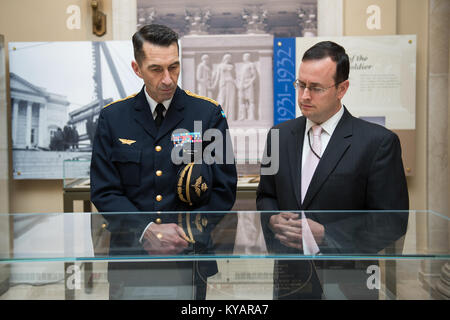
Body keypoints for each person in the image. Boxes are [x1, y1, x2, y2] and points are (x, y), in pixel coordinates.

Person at [90, 24, 237, 300]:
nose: (168, 79)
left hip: (188, 256)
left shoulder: (207, 114)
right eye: (156, 69)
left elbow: (224, 187)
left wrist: (184, 233)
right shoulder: (113, 118)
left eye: (174, 67)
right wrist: (145, 230)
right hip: (131, 258)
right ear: (137, 68)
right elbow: (104, 190)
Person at [257, 41, 409, 299]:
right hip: (290, 278)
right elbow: (266, 196)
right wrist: (272, 219)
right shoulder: (278, 136)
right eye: (301, 85)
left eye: (316, 88)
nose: (304, 96)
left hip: (349, 279)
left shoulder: (377, 143)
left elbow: (392, 221)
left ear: (342, 89)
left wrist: (327, 234)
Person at [211, 53, 236, 120]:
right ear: (225, 58)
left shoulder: (231, 66)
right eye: (228, 58)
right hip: (223, 84)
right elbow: (217, 77)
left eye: (230, 58)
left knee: (231, 101)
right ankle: (222, 116)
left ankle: (231, 117)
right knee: (222, 100)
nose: (229, 59)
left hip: (231, 83)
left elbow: (234, 77)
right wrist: (214, 85)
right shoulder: (220, 66)